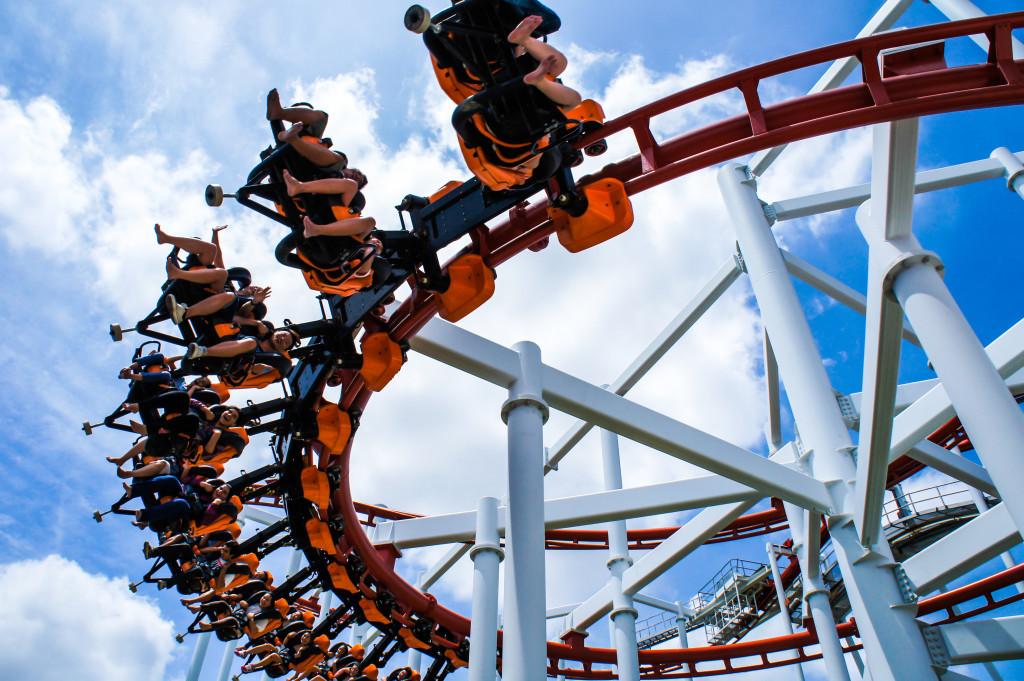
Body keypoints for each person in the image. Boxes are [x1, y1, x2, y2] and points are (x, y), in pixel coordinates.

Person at [281, 169, 380, 281]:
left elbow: (362, 272)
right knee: (351, 186)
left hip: (339, 248)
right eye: (355, 172)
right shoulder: (336, 177)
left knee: (370, 222)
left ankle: (317, 229)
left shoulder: (366, 250)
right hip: (325, 213)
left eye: (359, 179)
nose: (356, 175)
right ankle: (299, 187)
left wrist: (372, 249)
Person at [507, 15, 581, 109]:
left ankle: (524, 41)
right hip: (515, 79)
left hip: (525, 106)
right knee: (559, 63)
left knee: (576, 99)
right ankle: (524, 40)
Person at [268, 89, 348, 173]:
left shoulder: (342, 171)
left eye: (359, 180)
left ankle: (292, 138)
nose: (356, 175)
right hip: (305, 151)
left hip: (309, 172)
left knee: (340, 161)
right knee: (321, 118)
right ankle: (279, 113)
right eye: (357, 172)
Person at [185, 327, 299, 361]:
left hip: (237, 361)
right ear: (277, 332)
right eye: (283, 334)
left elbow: (256, 370)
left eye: (286, 342)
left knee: (251, 343)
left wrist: (256, 369)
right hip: (228, 339)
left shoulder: (269, 360)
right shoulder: (259, 332)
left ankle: (203, 351)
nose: (282, 338)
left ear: (283, 350)